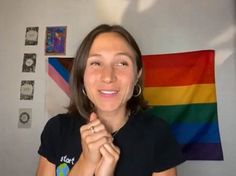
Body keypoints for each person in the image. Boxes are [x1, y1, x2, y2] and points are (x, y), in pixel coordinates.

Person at [36, 24, 185, 176]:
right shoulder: (57, 129)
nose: (108, 77)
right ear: (82, 74)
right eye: (96, 63)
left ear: (137, 75)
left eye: (122, 63)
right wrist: (86, 162)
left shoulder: (158, 133)